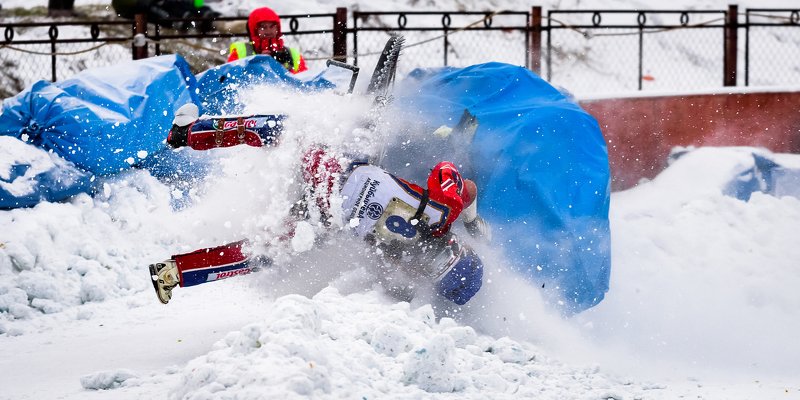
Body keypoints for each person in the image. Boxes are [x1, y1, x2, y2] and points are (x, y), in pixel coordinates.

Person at [149, 104, 491, 306]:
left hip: (335, 174)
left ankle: (190, 132)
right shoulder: (407, 270)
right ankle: (176, 272)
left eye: (436, 268)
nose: (429, 262)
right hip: (325, 215)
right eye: (442, 260)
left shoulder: (443, 214)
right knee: (264, 252)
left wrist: (470, 217)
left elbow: (451, 173)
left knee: (283, 130)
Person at [227, 6, 308, 74]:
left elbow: (304, 83)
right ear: (254, 30)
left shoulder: (293, 55)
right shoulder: (240, 52)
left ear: (278, 28)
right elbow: (229, 80)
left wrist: (284, 70)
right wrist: (256, 65)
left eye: (272, 26)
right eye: (263, 27)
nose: (268, 31)